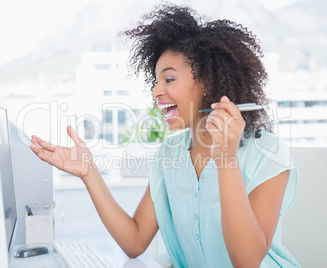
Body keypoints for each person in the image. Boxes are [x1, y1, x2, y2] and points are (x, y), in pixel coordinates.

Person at [30, 3, 300, 267]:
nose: (156, 92)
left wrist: (225, 156)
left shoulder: (268, 153)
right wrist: (89, 173)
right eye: (156, 81)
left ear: (209, 83)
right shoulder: (169, 154)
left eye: (169, 80)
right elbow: (134, 241)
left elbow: (247, 262)